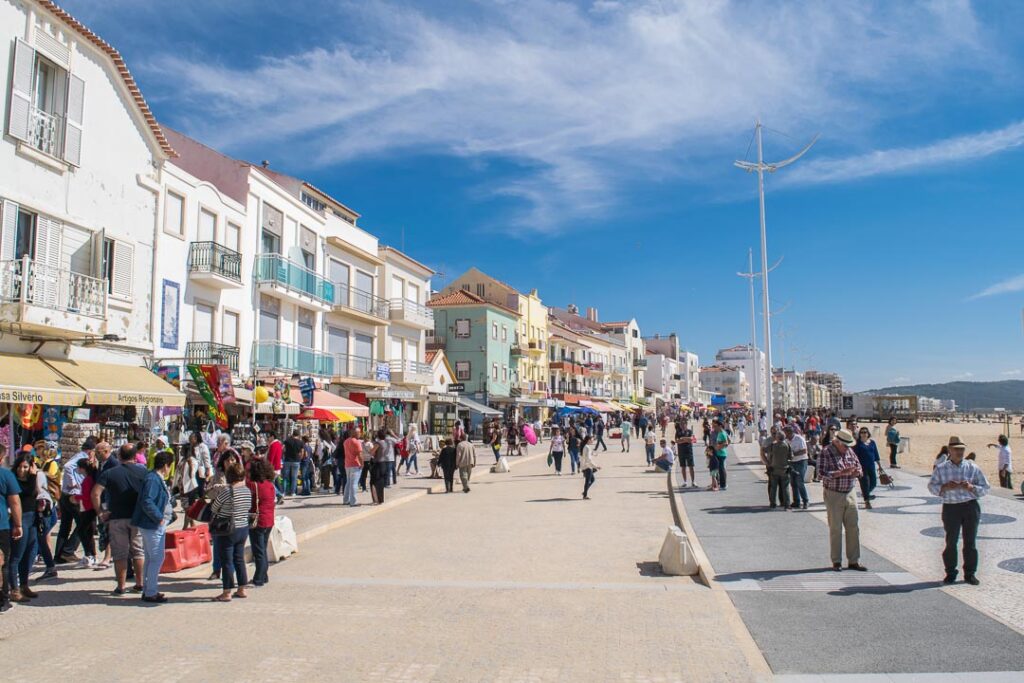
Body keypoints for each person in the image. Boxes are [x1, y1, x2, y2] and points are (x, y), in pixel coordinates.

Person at [928, 436, 990, 585]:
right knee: (951, 541)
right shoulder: (942, 468)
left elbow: (986, 488)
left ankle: (970, 573)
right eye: (956, 449)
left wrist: (971, 487)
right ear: (950, 450)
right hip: (951, 507)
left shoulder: (972, 467)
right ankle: (950, 572)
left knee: (970, 542)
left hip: (970, 506)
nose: (960, 452)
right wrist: (944, 488)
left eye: (962, 449)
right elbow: (931, 486)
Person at [92, 445, 147, 595]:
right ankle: (140, 584)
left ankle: (121, 586)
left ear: (119, 456)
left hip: (116, 517)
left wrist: (100, 512)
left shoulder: (110, 473)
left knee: (119, 554)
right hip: (137, 517)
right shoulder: (144, 471)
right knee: (138, 552)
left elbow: (95, 493)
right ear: (135, 456)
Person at [818, 430, 866, 572]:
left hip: (850, 491)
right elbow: (821, 473)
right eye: (845, 445)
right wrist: (841, 473)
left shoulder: (850, 452)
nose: (847, 448)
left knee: (853, 527)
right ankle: (837, 561)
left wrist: (857, 472)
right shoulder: (826, 452)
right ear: (837, 442)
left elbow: (859, 467)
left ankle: (853, 560)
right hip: (833, 494)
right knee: (836, 528)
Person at [132, 452, 174, 603]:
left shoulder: (154, 478)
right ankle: (150, 591)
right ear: (165, 466)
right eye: (170, 466)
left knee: (151, 558)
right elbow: (147, 501)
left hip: (153, 524)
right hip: (152, 525)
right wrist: (159, 518)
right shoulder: (153, 479)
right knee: (156, 558)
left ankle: (148, 589)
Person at [7, 454, 49, 602]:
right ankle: (14, 589)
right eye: (19, 466)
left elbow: (38, 491)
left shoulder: (33, 478)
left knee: (29, 552)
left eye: (25, 467)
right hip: (20, 518)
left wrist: (35, 473)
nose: (22, 470)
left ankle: (24, 585)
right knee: (16, 555)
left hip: (33, 518)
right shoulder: (13, 479)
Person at [211, 462, 252, 602]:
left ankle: (227, 591)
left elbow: (214, 508)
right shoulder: (247, 491)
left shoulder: (227, 492)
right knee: (239, 559)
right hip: (243, 528)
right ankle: (242, 588)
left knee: (227, 561)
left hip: (228, 529)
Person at [54, 437, 94, 564]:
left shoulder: (78, 456)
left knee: (65, 526)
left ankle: (59, 554)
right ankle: (68, 551)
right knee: (83, 525)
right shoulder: (82, 458)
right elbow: (67, 466)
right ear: (90, 451)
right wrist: (73, 482)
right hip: (73, 496)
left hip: (66, 495)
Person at [247, 458, 276, 587]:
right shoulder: (270, 485)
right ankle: (264, 575)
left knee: (258, 551)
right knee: (262, 549)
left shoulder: (253, 485)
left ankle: (259, 578)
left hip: (257, 520)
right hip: (269, 520)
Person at [74, 457, 99, 568]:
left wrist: (75, 497)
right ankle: (92, 555)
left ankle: (89, 554)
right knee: (88, 532)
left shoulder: (88, 480)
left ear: (82, 468)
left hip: (88, 508)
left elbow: (86, 496)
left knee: (82, 531)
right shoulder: (89, 478)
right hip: (88, 508)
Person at [763, 430, 792, 510]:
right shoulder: (787, 445)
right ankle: (787, 504)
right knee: (785, 488)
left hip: (774, 469)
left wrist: (768, 462)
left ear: (777, 437)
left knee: (773, 488)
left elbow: (764, 450)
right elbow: (791, 457)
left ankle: (773, 503)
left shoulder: (773, 446)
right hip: (784, 469)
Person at [853, 427, 880, 510]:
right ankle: (867, 501)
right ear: (860, 434)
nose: (864, 434)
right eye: (862, 432)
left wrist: (880, 465)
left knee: (873, 483)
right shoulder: (857, 444)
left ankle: (866, 493)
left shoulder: (872, 443)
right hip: (862, 467)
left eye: (865, 432)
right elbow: (854, 456)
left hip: (871, 466)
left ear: (868, 433)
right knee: (865, 483)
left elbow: (876, 454)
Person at [785, 425, 809, 510]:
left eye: (787, 433)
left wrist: (794, 454)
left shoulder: (799, 439)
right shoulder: (786, 440)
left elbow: (804, 450)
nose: (786, 435)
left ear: (791, 432)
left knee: (799, 481)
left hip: (801, 461)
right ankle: (796, 501)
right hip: (792, 462)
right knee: (793, 482)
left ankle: (805, 501)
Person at [342, 427, 363, 507]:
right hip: (355, 464)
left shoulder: (346, 441)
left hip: (347, 464)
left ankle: (346, 500)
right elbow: (360, 455)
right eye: (359, 432)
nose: (360, 434)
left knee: (348, 483)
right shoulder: (357, 442)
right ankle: (353, 501)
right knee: (354, 483)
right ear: (355, 433)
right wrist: (362, 464)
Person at [674, 421, 696, 488]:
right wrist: (686, 440)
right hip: (681, 451)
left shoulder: (689, 431)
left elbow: (692, 439)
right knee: (683, 467)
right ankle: (685, 482)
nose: (682, 426)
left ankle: (693, 481)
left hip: (689, 451)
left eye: (684, 424)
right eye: (681, 424)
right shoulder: (678, 432)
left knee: (691, 466)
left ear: (686, 424)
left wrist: (683, 439)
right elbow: (677, 441)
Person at [281, 430, 303, 497]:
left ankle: (283, 492)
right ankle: (292, 492)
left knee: (285, 477)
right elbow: (302, 452)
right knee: (294, 477)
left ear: (292, 434)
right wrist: (300, 458)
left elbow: (282, 448)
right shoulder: (300, 442)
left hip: (287, 460)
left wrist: (283, 455)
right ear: (298, 435)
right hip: (296, 461)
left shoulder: (287, 441)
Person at [266, 431, 284, 504]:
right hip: (277, 467)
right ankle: (280, 495)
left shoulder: (273, 445)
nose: (268, 438)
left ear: (272, 436)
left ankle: (279, 495)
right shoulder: (278, 444)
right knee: (275, 483)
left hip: (273, 468)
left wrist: (268, 467)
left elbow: (271, 457)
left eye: (269, 436)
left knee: (270, 483)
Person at [713, 420, 730, 490]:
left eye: (715, 426)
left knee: (721, 470)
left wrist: (718, 447)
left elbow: (726, 443)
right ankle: (720, 483)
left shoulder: (722, 433)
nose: (714, 428)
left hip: (722, 454)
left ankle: (723, 485)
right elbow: (729, 441)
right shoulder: (720, 433)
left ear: (720, 426)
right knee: (720, 469)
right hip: (719, 453)